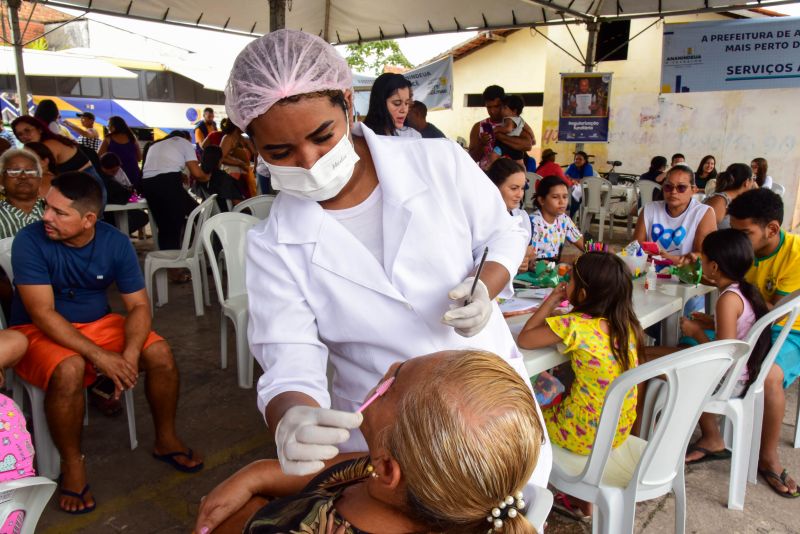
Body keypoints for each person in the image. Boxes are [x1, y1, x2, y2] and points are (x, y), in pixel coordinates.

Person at [225, 29, 551, 484]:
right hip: (386, 442)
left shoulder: (437, 162)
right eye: (279, 152)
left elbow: (502, 232)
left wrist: (486, 287)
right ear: (252, 142)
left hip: (490, 409)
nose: (309, 161)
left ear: (347, 102)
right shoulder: (273, 245)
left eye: (323, 136)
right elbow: (290, 360)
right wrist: (292, 417)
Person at [9, 172, 203, 514]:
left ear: (88, 220)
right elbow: (42, 313)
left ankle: (166, 439)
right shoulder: (30, 240)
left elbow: (139, 306)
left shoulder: (114, 242)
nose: (46, 217)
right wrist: (100, 356)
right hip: (39, 329)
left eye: (59, 212)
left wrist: (127, 354)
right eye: (47, 207)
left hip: (98, 324)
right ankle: (73, 464)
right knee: (69, 368)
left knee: (159, 353)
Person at [194, 350, 543, 534]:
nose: (389, 367)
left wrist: (245, 515)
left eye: (394, 381)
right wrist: (256, 474)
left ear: (388, 468)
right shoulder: (395, 476)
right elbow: (342, 469)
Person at [517, 251, 643, 516]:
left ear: (583, 295)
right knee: (561, 384)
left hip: (582, 435)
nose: (566, 283)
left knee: (526, 413)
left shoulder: (576, 325)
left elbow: (526, 338)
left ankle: (531, 491)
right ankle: (580, 498)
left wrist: (552, 299)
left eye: (571, 280)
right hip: (617, 431)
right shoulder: (627, 324)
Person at [665, 230, 772, 464]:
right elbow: (739, 326)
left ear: (713, 267)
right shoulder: (743, 290)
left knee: (652, 364)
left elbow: (723, 353)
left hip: (728, 380)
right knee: (662, 356)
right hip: (741, 375)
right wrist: (710, 321)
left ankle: (671, 435)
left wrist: (696, 332)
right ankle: (706, 435)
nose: (700, 264)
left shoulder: (728, 299)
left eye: (702, 260)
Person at [728, 188, 800, 498]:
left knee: (769, 375)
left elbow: (774, 312)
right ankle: (713, 437)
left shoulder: (795, 255)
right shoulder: (747, 249)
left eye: (745, 233)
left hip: (789, 331)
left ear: (772, 229)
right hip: (751, 323)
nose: (739, 241)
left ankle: (768, 456)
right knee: (694, 350)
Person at [11, 116, 106, 205]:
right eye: (20, 134)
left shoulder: (48, 145)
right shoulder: (42, 145)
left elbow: (42, 176)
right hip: (78, 188)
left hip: (88, 190)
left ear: (39, 129)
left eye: (27, 130)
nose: (24, 136)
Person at [633, 164, 716, 265]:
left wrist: (668, 258)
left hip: (685, 276)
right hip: (650, 272)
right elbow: (635, 246)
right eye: (668, 187)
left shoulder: (703, 213)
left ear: (693, 190)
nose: (673, 192)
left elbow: (703, 257)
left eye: (681, 187)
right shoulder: (649, 209)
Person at [140, 130, 206, 251]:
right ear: (185, 138)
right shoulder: (184, 142)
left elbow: (158, 169)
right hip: (168, 182)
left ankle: (170, 263)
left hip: (148, 184)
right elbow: (197, 173)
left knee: (164, 225)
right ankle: (189, 255)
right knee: (188, 216)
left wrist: (179, 174)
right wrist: (208, 177)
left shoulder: (156, 145)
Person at [469, 85, 534, 171]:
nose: (492, 111)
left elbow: (527, 145)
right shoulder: (478, 127)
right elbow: (471, 159)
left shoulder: (514, 122)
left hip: (512, 177)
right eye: (489, 107)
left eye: (496, 106)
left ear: (504, 104)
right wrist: (482, 143)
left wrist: (500, 136)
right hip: (488, 177)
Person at [486, 158, 534, 272]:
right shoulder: (483, 221)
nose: (520, 195)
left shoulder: (523, 219)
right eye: (514, 188)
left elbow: (529, 255)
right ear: (495, 187)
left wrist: (528, 261)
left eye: (522, 188)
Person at [529, 175, 584, 262]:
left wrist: (602, 250)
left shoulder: (564, 220)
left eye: (565, 197)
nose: (562, 202)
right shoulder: (532, 223)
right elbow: (524, 258)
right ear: (542, 200)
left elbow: (583, 243)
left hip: (552, 269)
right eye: (555, 197)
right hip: (531, 272)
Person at [0, 148, 45, 239]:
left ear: (40, 179)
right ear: (1, 179)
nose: (23, 176)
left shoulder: (56, 209)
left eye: (30, 171)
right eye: (14, 171)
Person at [363, 73, 420, 138]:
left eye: (407, 103)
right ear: (380, 104)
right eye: (397, 103)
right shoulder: (362, 137)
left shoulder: (412, 136)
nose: (404, 110)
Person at [703, 163, 755, 230]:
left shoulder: (735, 199)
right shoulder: (720, 200)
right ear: (747, 182)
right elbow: (704, 230)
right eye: (753, 179)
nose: (753, 183)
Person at [193, 145, 244, 211]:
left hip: (210, 215)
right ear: (220, 160)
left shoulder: (199, 176)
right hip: (228, 215)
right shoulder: (224, 178)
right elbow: (239, 204)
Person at [98, 116, 142, 191]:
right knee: (134, 198)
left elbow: (99, 157)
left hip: (115, 173)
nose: (108, 128)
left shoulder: (108, 139)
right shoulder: (132, 138)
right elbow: (139, 158)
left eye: (109, 126)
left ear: (114, 127)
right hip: (133, 172)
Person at [492, 94, 528, 164]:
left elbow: (508, 129)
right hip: (517, 147)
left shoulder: (509, 119)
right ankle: (524, 172)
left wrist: (497, 129)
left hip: (506, 145)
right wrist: (533, 138)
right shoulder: (520, 119)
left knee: (493, 155)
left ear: (514, 111)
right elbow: (529, 130)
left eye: (504, 108)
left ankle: (488, 167)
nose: (502, 110)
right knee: (520, 162)